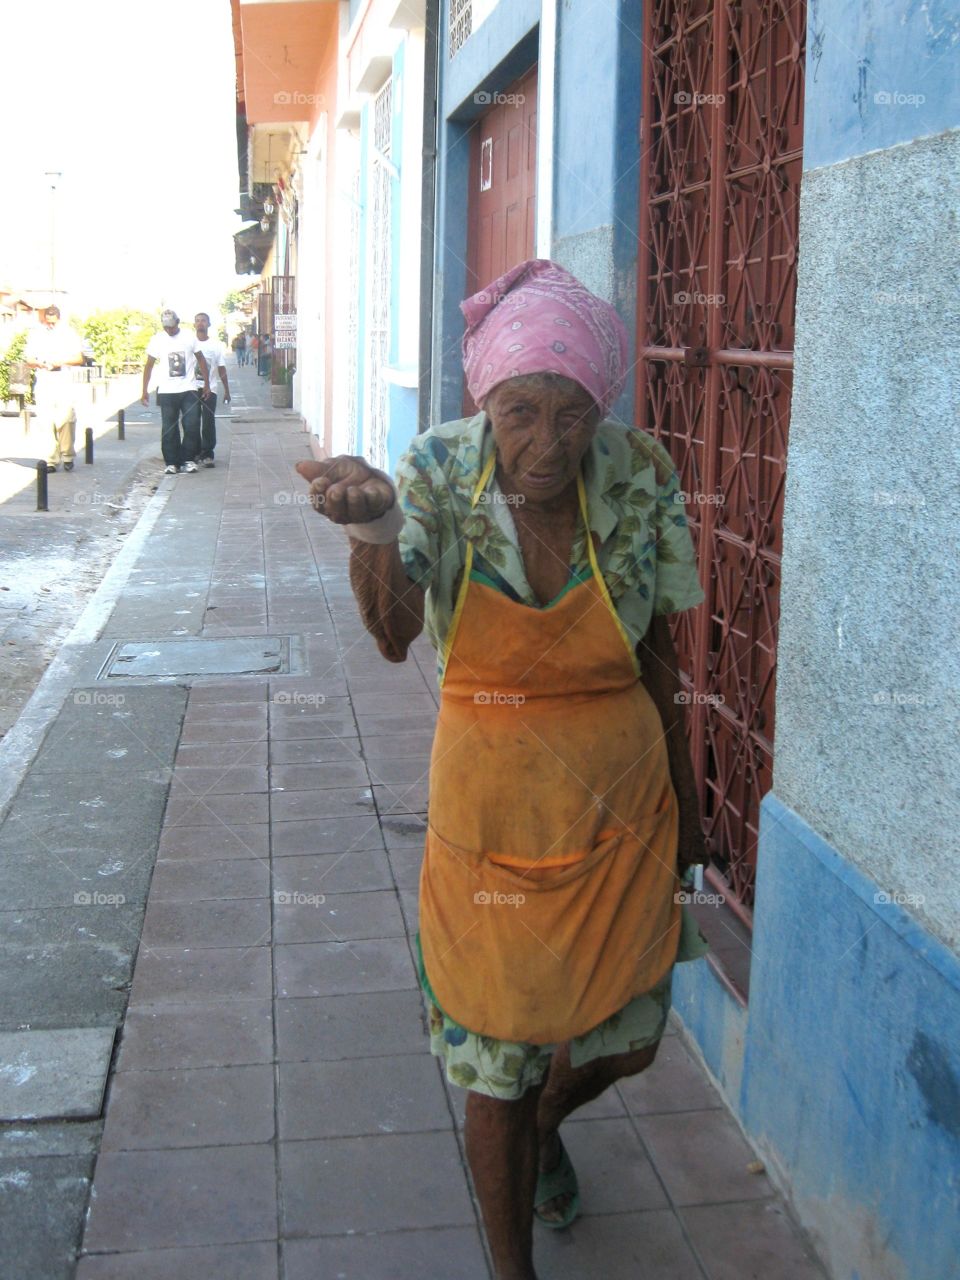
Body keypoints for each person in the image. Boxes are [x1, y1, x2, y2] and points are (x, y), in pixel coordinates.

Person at [296, 258, 711, 1280]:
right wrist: (376, 526)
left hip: (619, 802)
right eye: (519, 412)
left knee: (629, 1036)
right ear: (487, 401)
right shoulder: (441, 468)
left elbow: (659, 651)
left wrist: (688, 808)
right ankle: (510, 1261)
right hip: (493, 806)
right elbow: (397, 634)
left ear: (598, 409)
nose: (545, 444)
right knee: (498, 1061)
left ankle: (548, 1126)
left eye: (570, 416)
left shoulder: (642, 472)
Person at [141, 309, 210, 474]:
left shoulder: (188, 337)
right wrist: (144, 389)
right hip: (167, 391)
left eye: (172, 327)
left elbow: (201, 359)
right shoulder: (157, 340)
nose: (169, 330)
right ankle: (172, 462)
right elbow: (149, 365)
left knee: (192, 424)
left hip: (189, 389)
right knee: (169, 427)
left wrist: (206, 384)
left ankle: (188, 459)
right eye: (166, 328)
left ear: (178, 323)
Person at [22, 305, 85, 472]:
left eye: (53, 322)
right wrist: (38, 363)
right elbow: (28, 358)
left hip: (63, 380)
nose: (50, 325)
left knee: (66, 419)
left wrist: (60, 362)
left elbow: (79, 358)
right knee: (45, 420)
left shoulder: (69, 334)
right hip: (44, 379)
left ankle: (68, 455)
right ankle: (50, 459)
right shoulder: (36, 334)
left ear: (59, 319)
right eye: (47, 322)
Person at [190, 312, 230, 468]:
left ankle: (207, 454)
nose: (200, 323)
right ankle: (194, 452)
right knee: (192, 422)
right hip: (191, 389)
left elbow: (221, 368)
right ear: (194, 324)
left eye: (203, 321)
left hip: (210, 389)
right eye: (197, 320)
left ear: (209, 324)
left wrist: (227, 390)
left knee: (208, 422)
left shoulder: (216, 345)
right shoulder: (189, 343)